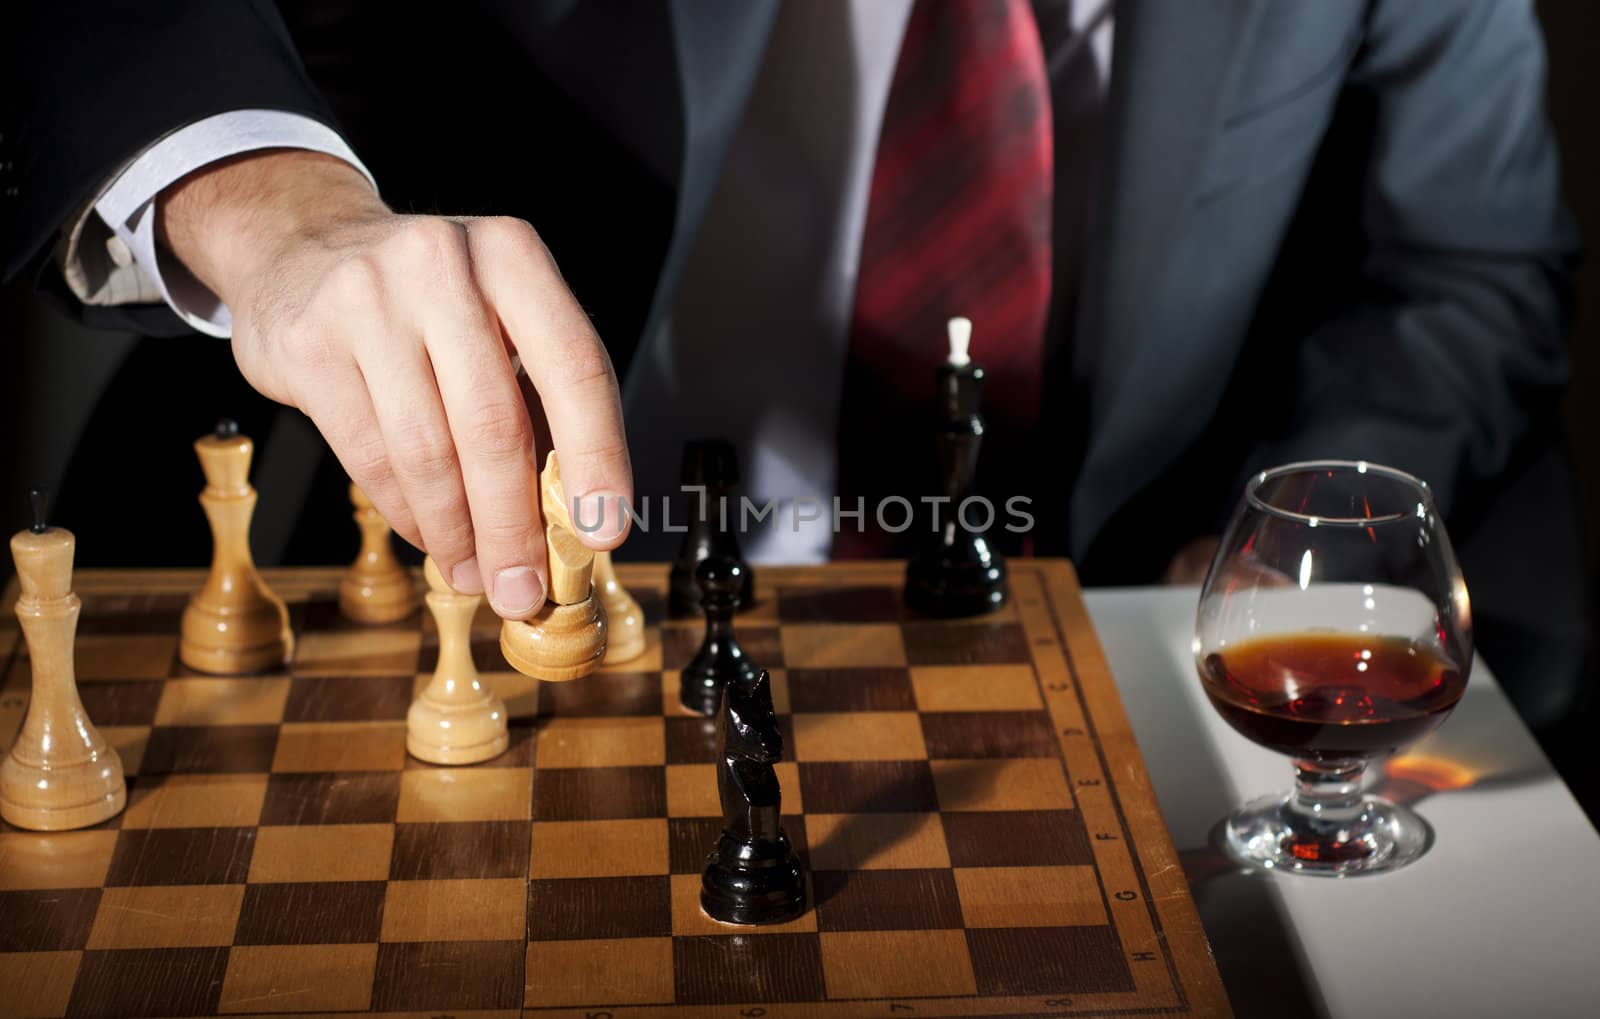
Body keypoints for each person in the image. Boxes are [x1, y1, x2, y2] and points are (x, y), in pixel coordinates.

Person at [1, 1, 1586, 723]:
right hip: (515, 606)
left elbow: (1472, 261)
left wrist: (1291, 532)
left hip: (1106, 637)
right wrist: (268, 204)